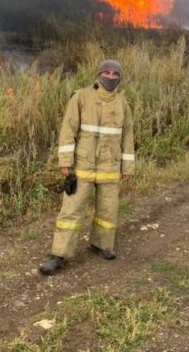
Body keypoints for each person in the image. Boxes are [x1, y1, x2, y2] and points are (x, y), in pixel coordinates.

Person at [39, 60, 135, 276]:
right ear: (99, 74)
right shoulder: (81, 97)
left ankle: (102, 244)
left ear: (120, 78)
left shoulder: (123, 104)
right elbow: (68, 130)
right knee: (71, 210)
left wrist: (127, 167)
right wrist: (65, 161)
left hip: (110, 167)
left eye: (115, 74)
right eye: (107, 72)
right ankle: (59, 254)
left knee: (108, 209)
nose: (111, 77)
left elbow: (128, 137)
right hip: (83, 166)